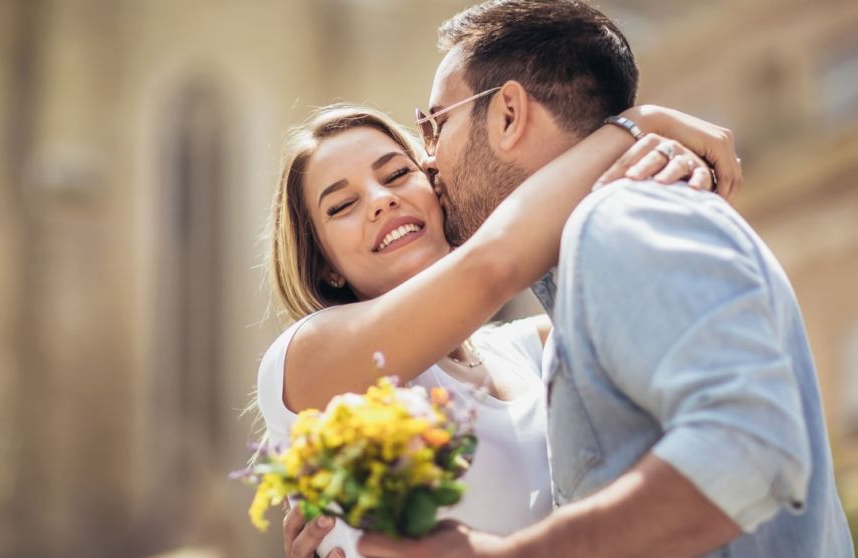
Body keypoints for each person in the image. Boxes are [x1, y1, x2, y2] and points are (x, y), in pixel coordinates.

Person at [355, 1, 853, 557]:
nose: (426, 161)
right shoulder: (583, 265)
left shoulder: (619, 221)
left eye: (434, 124)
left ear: (509, 114)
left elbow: (752, 448)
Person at [260, 98, 739, 557]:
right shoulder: (304, 358)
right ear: (327, 267)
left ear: (434, 186)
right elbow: (493, 263)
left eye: (397, 174)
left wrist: (662, 172)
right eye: (341, 206)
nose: (381, 200)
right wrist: (641, 124)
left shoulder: (530, 348)